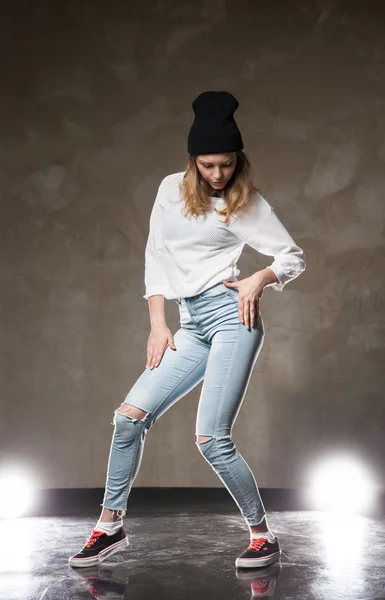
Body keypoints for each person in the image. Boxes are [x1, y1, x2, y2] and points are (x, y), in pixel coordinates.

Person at [69, 90, 306, 569]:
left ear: (239, 160)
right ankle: (109, 526)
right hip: (190, 324)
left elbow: (293, 257)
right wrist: (158, 324)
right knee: (128, 418)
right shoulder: (167, 191)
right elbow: (155, 255)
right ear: (192, 160)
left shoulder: (245, 202)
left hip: (232, 319)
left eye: (227, 164)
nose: (218, 175)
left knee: (212, 439)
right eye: (208, 165)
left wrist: (260, 278)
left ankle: (263, 535)